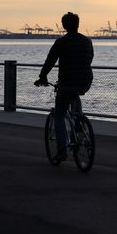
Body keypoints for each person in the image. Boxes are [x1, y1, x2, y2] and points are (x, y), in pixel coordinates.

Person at [34, 12, 94, 162]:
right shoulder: (87, 41)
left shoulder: (61, 42)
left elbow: (50, 61)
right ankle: (79, 122)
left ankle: (62, 150)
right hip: (85, 81)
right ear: (78, 24)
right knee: (75, 94)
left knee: (59, 114)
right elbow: (90, 58)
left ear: (63, 26)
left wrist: (42, 76)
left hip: (67, 82)